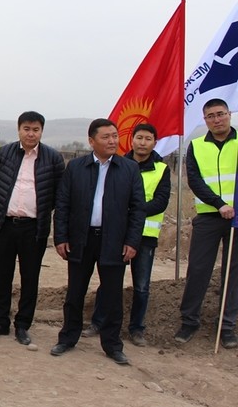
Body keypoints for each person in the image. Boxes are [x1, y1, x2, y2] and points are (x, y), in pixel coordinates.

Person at [51, 118, 145, 365]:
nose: (113, 140)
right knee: (75, 292)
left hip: (114, 240)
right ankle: (67, 338)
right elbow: (62, 204)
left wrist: (132, 241)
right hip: (81, 239)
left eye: (115, 135)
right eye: (106, 137)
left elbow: (137, 209)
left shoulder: (129, 169)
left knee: (112, 296)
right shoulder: (76, 167)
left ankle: (112, 345)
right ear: (91, 141)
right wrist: (60, 237)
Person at [81, 123, 171, 347]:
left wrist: (133, 210)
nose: (142, 142)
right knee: (109, 282)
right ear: (131, 140)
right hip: (116, 233)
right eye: (139, 137)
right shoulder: (117, 164)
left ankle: (137, 328)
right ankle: (98, 322)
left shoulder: (161, 169)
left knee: (141, 285)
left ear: (154, 142)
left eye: (148, 139)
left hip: (145, 235)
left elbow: (160, 202)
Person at [0, 111, 64, 345]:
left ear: (41, 131)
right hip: (4, 225)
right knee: (2, 275)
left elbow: (58, 193)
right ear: (19, 130)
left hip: (34, 228)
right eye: (26, 129)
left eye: (35, 129)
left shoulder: (52, 158)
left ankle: (23, 325)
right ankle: (0, 322)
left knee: (30, 277)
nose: (31, 133)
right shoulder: (4, 154)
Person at [176, 98, 238, 348]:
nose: (216, 119)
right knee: (198, 270)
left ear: (229, 114)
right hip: (210, 216)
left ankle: (227, 326)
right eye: (210, 116)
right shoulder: (196, 146)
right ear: (205, 120)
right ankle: (189, 321)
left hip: (237, 219)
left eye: (220, 114)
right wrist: (219, 204)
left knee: (233, 273)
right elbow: (195, 181)